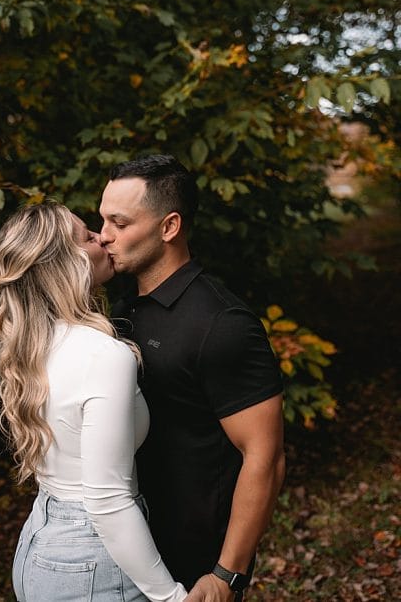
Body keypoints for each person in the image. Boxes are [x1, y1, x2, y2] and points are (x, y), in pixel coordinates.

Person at [98, 155, 286, 601]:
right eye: (101, 219)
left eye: (119, 223)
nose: (103, 235)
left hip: (193, 572)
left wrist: (227, 574)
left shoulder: (221, 323)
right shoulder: (122, 312)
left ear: (169, 227)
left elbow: (265, 456)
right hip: (128, 558)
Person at [0, 201, 188, 602]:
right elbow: (107, 500)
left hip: (40, 545)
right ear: (64, 263)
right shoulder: (103, 355)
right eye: (87, 236)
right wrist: (171, 597)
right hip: (92, 562)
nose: (103, 238)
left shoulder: (28, 347)